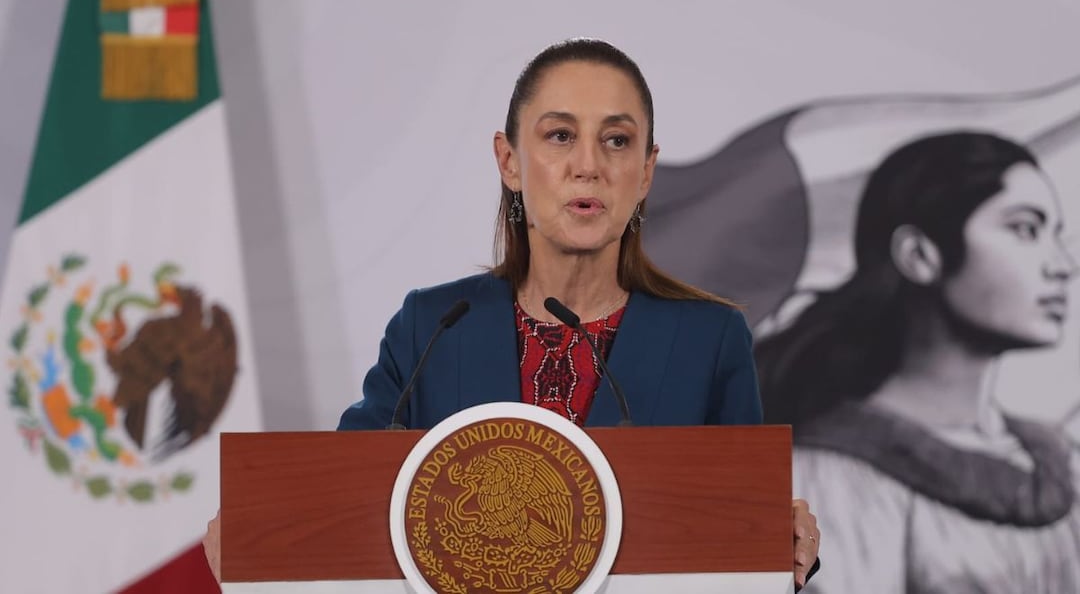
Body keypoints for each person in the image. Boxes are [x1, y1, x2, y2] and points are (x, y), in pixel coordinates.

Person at [204, 38, 822, 588]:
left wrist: (784, 545)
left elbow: (740, 527)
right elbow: (342, 503)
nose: (589, 165)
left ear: (646, 173)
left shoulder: (709, 339)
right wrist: (261, 531)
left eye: (616, 140)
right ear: (509, 162)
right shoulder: (432, 327)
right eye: (559, 136)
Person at [756, 131, 1080, 593]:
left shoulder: (1061, 460)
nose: (1063, 265)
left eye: (1056, 235)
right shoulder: (824, 480)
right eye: (1026, 229)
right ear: (920, 256)